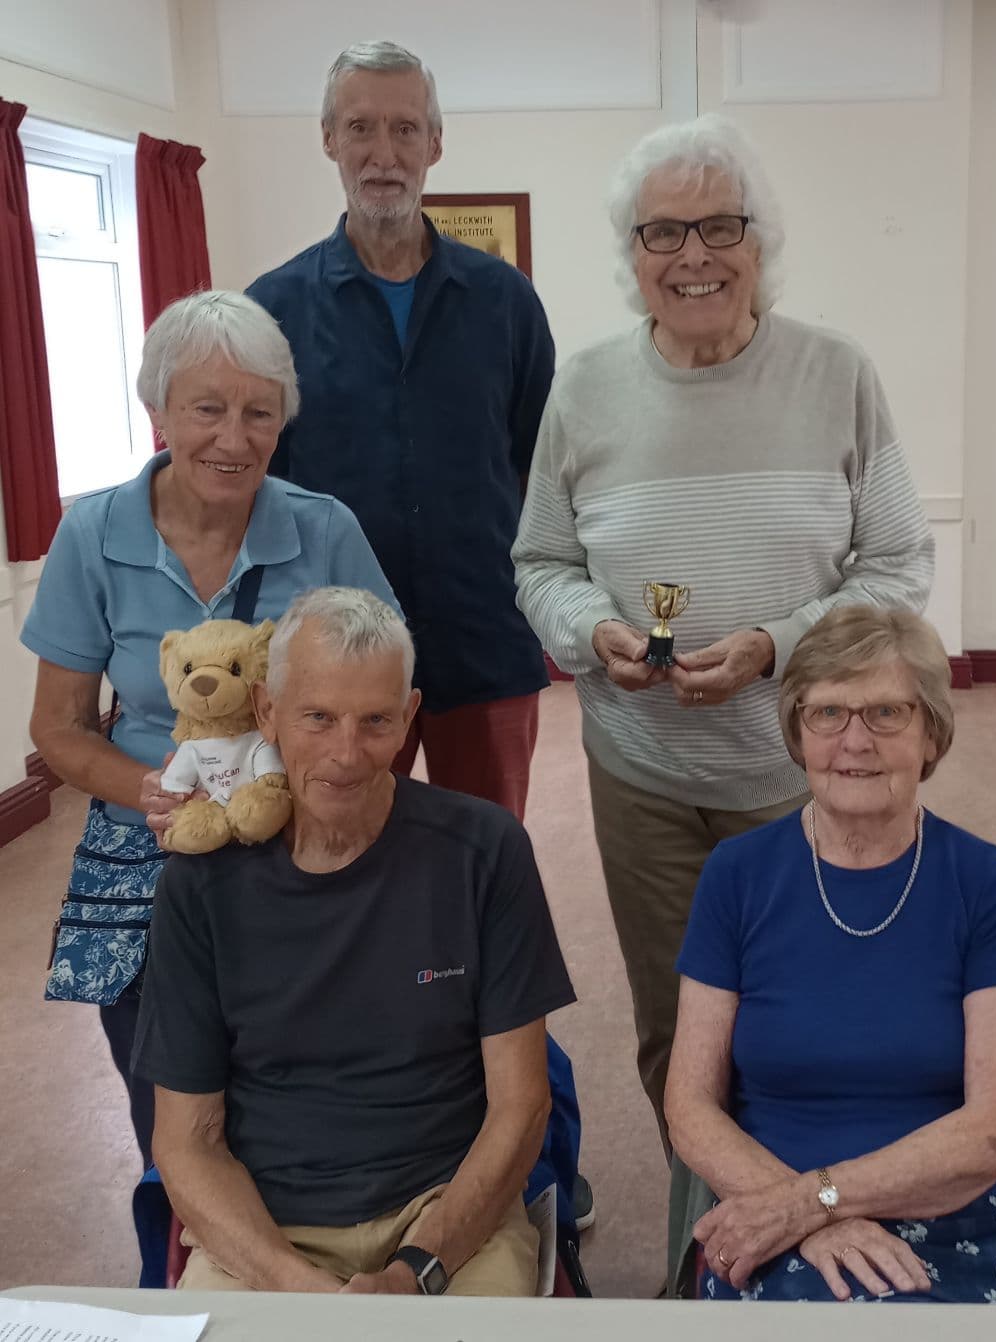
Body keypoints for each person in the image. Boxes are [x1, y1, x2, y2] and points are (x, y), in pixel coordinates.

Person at [512, 113, 934, 1154]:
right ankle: (707, 1262)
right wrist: (594, 628)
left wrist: (776, 644)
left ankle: (811, 1249)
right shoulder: (586, 388)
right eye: (663, 233)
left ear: (761, 244)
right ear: (633, 255)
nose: (693, 256)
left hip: (812, 774)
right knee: (678, 1032)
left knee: (814, 1030)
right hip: (643, 775)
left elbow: (897, 567)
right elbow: (541, 563)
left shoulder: (837, 374)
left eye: (719, 228)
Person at [20, 291, 396, 1169]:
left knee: (308, 1078)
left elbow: (385, 696)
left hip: (297, 827)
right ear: (156, 411)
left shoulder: (322, 529)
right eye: (207, 409)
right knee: (169, 1092)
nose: (234, 438)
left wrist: (325, 797)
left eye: (258, 413)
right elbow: (61, 729)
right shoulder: (93, 535)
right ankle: (184, 1232)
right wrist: (156, 793)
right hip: (155, 835)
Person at [132, 588, 576, 1295]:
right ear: (265, 714)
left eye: (375, 721)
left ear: (409, 717)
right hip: (267, 1226)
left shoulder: (484, 850)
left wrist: (417, 1270)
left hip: (445, 1214)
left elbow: (521, 1108)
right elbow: (187, 1141)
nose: (346, 754)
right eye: (318, 717)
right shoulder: (199, 885)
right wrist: (291, 1282)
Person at [666, 605, 996, 1305]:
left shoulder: (984, 880)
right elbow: (690, 1105)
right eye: (827, 714)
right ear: (798, 731)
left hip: (962, 1210)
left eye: (886, 713)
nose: (854, 741)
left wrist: (820, 1200)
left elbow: (994, 1131)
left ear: (930, 735)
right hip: (777, 1212)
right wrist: (802, 1218)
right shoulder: (738, 874)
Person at [247, 39, 554, 821]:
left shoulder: (505, 302)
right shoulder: (272, 310)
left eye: (405, 129)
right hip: (332, 667)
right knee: (333, 859)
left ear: (435, 143)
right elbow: (256, 490)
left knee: (482, 863)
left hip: (483, 642)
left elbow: (538, 470)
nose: (383, 154)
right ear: (328, 140)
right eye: (360, 128)